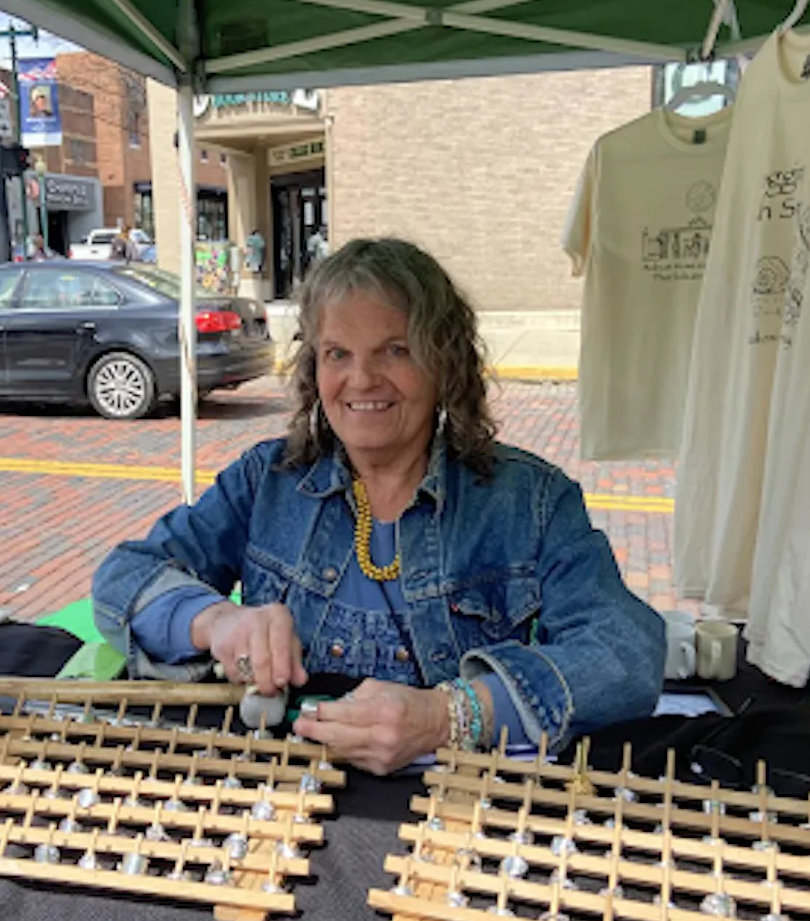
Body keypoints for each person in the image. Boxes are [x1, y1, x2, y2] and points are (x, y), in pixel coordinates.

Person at [92, 237, 664, 775]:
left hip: (454, 818)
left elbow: (626, 650)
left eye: (395, 349)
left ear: (445, 365)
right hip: (286, 806)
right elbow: (124, 577)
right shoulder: (266, 482)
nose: (361, 379)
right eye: (338, 352)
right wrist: (216, 621)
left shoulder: (529, 501)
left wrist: (452, 715)